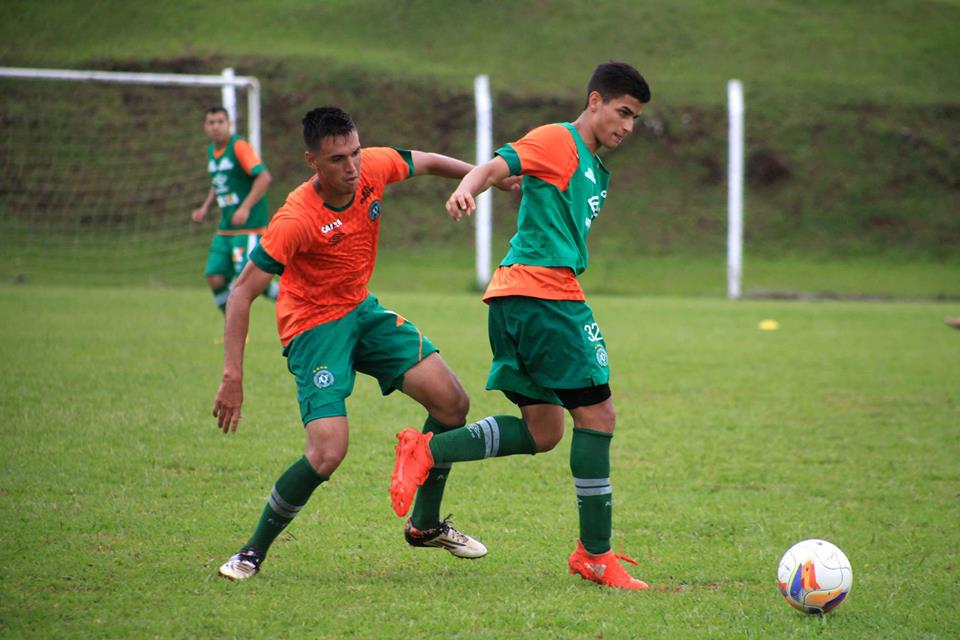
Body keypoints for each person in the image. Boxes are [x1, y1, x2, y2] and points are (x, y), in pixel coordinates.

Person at [213, 106, 518, 580]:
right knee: (328, 452)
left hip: (361, 310)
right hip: (314, 328)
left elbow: (431, 162)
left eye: (355, 153)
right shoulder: (295, 219)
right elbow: (241, 293)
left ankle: (425, 525)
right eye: (337, 159)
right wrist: (233, 375)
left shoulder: (372, 166)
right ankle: (252, 551)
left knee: (452, 403)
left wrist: (484, 178)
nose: (352, 167)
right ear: (312, 160)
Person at [390, 62, 652, 590]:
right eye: (622, 112)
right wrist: (468, 187)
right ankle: (595, 556)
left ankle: (427, 451)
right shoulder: (559, 140)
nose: (627, 126)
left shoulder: (595, 168)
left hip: (518, 299)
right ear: (595, 100)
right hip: (544, 297)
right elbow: (495, 165)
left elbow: (517, 180)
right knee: (598, 416)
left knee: (545, 431)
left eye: (636, 119)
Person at [191, 106, 278, 314]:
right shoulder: (211, 151)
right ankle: (232, 329)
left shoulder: (239, 146)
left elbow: (264, 177)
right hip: (226, 229)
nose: (215, 127)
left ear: (229, 124)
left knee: (252, 282)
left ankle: (299, 303)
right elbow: (219, 182)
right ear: (205, 127)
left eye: (220, 122)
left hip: (248, 228)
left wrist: (245, 208)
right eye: (211, 123)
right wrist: (205, 208)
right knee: (214, 276)